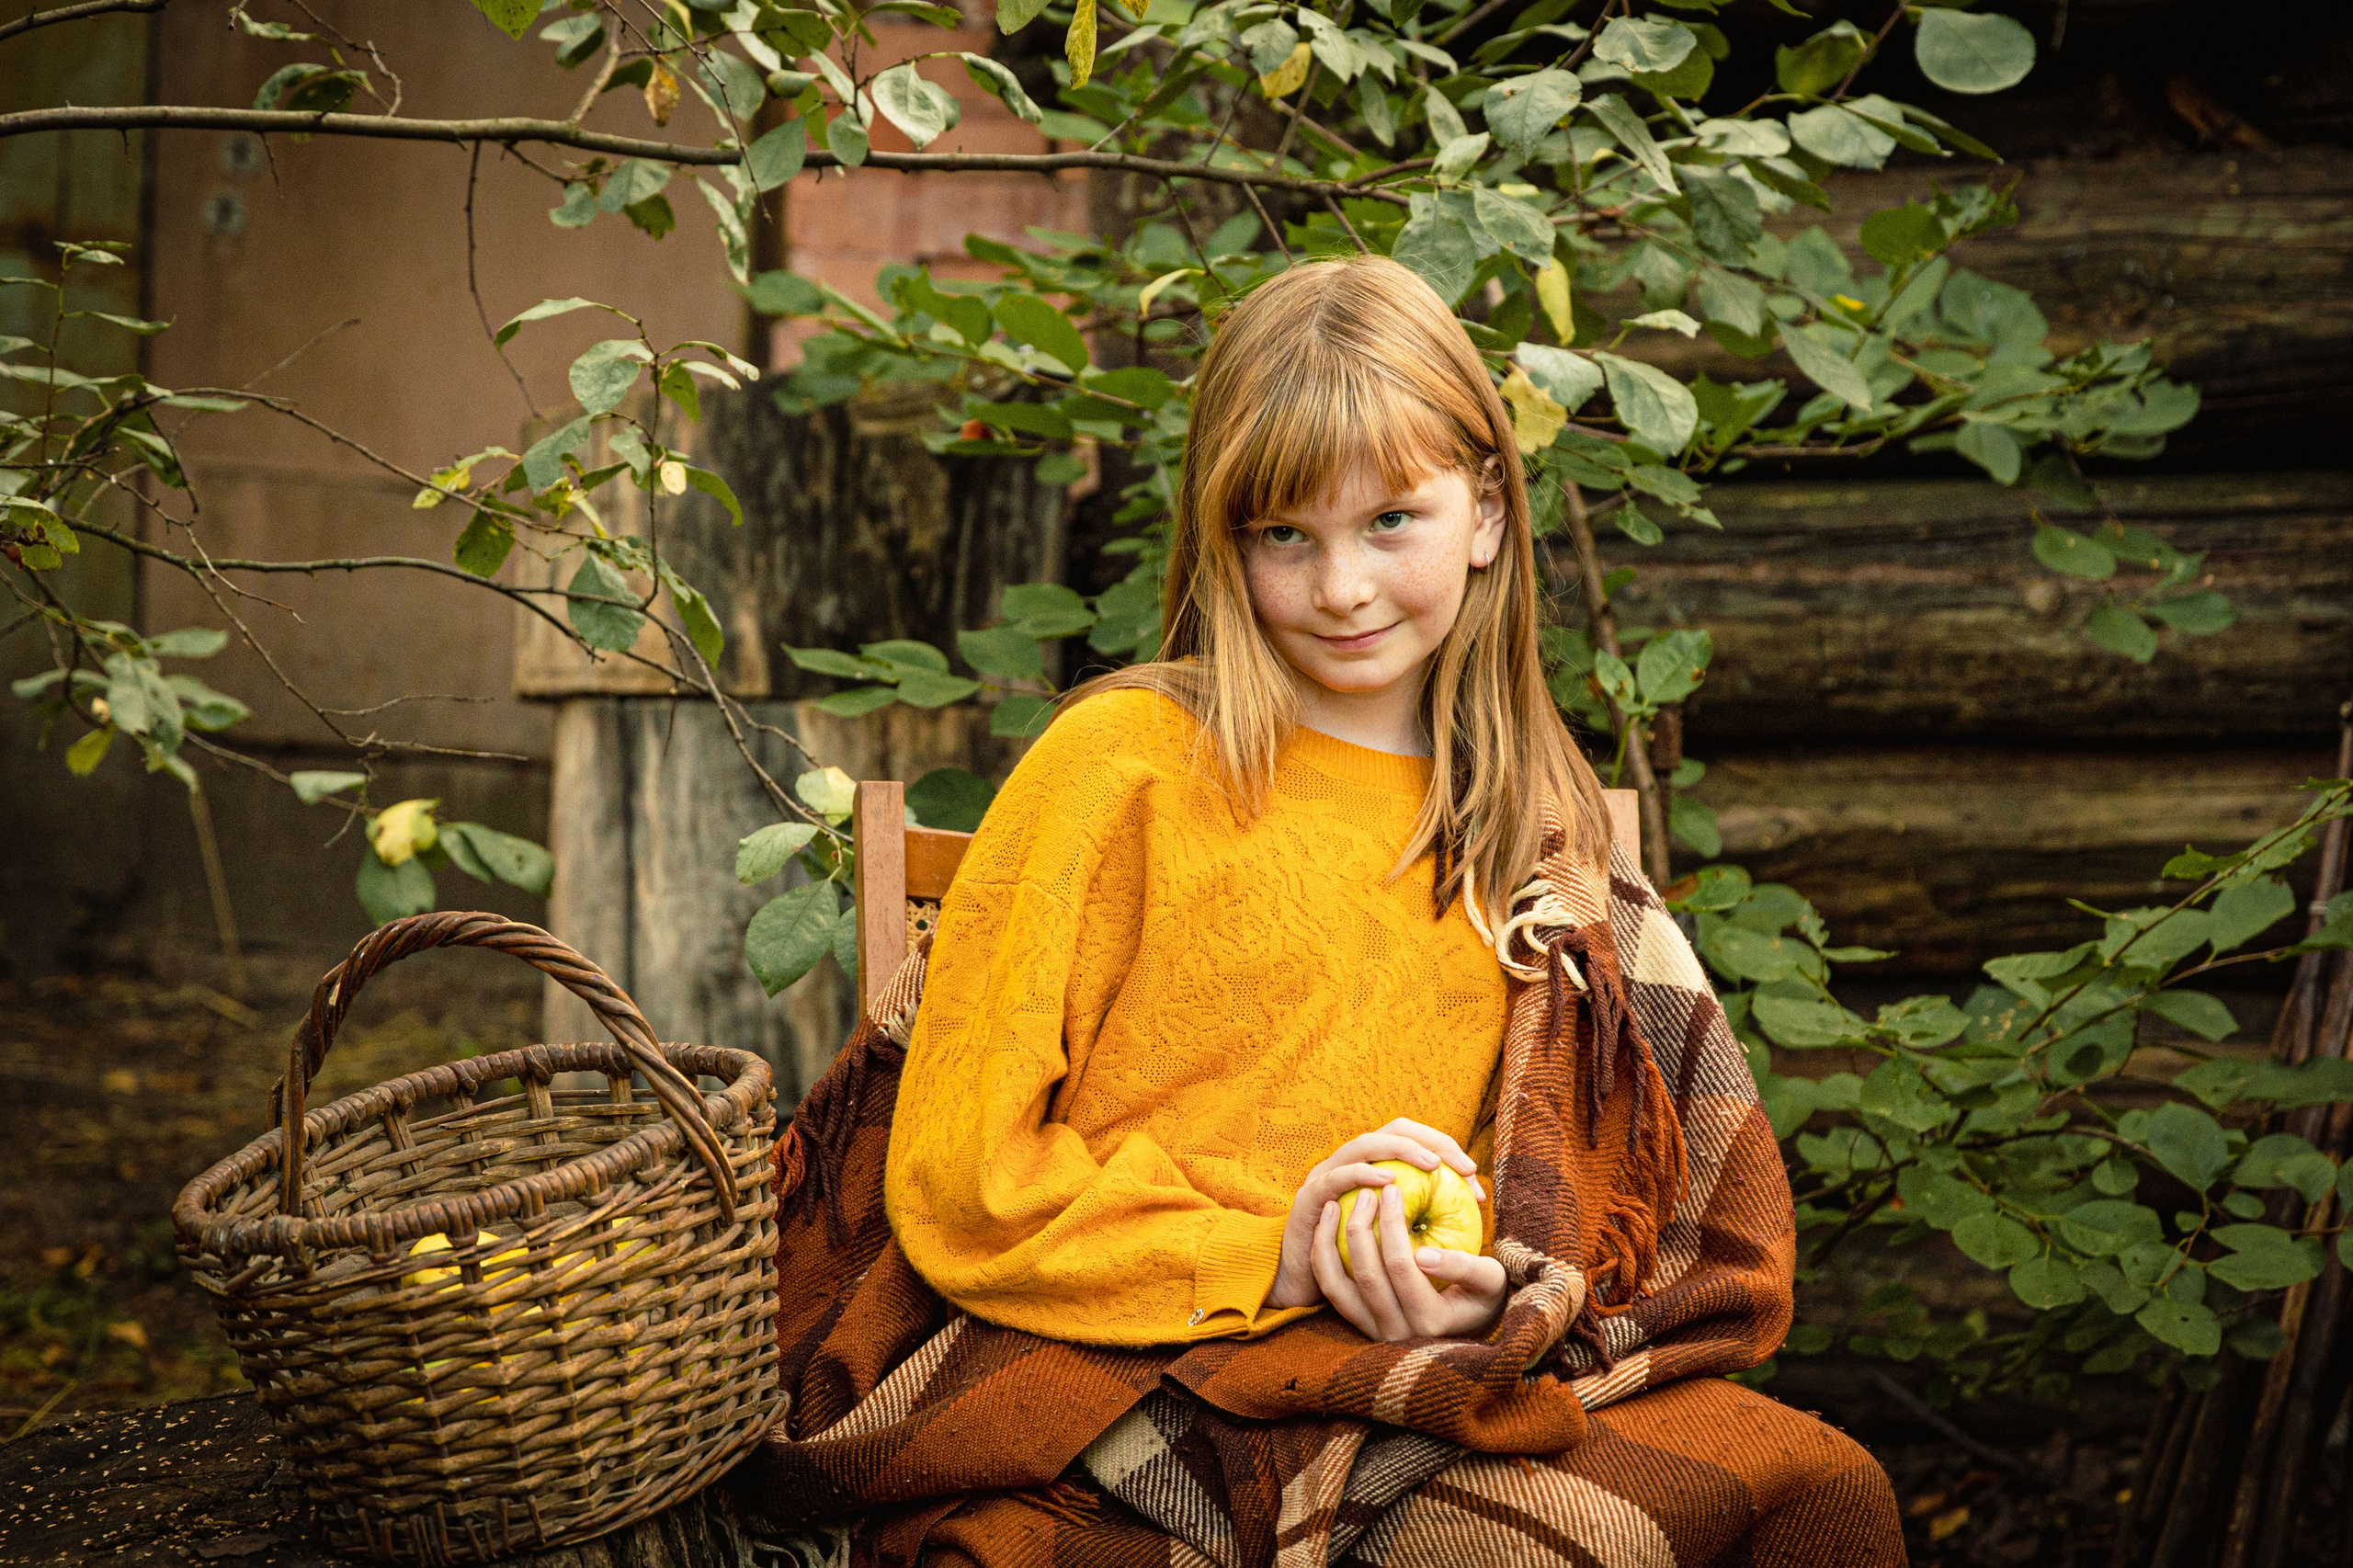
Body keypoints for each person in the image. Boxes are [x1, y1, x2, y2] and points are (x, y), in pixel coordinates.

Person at [746, 254, 1904, 1567]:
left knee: (1825, 1488)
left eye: (1390, 522)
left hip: (1428, 1353)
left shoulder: (1527, 826)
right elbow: (965, 1180)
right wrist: (1284, 1257)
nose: (1342, 586)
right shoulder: (1118, 765)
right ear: (1223, 535)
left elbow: (1592, 1198)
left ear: (1484, 512)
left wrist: (1488, 1281)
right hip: (1115, 1348)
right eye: (1285, 533)